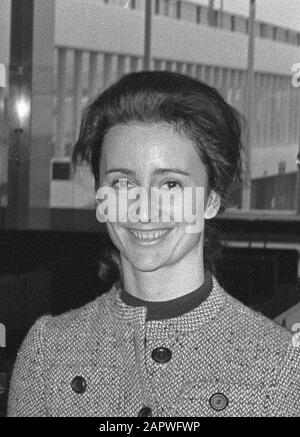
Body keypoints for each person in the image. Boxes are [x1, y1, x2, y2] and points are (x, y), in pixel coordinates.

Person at [8, 71, 300, 417]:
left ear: (211, 200)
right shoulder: (47, 352)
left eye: (171, 185)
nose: (143, 209)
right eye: (122, 183)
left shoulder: (279, 366)